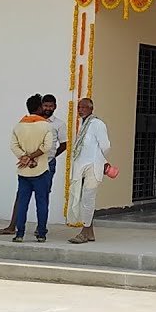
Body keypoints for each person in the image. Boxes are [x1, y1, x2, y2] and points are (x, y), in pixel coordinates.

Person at [0, 94, 68, 236]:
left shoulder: (57, 124)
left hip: (45, 163)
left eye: (50, 106)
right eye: (45, 105)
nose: (47, 108)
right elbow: (45, 146)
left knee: (40, 196)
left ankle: (35, 229)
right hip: (32, 163)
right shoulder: (38, 124)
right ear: (40, 107)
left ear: (55, 107)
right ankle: (19, 227)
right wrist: (30, 158)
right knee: (26, 197)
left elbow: (62, 145)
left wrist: (28, 157)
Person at [9, 94, 55, 243]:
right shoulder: (46, 126)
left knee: (23, 203)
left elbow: (13, 146)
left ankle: (20, 233)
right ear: (39, 107)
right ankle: (41, 233)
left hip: (23, 171)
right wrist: (33, 157)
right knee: (42, 203)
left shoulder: (18, 126)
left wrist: (24, 157)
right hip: (41, 170)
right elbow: (47, 147)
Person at [67, 98, 111, 244]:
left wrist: (100, 161)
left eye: (84, 107)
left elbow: (106, 146)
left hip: (93, 166)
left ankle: (84, 232)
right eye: (79, 107)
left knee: (88, 198)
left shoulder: (97, 124)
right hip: (81, 167)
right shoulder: (83, 125)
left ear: (91, 109)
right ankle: (90, 232)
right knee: (82, 198)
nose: (80, 110)